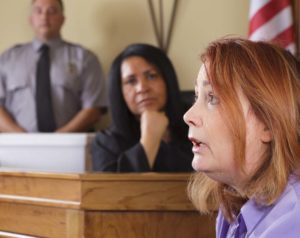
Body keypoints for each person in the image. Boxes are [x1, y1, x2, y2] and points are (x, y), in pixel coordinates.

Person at [184, 37, 300, 237]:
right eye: (197, 96)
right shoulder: (233, 206)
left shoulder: (293, 220)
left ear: (268, 123)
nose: (188, 116)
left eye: (212, 98)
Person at [0, 0, 107, 132]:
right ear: (30, 19)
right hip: (18, 147)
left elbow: (94, 109)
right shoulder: (8, 59)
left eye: (51, 11)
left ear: (62, 19)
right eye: (38, 11)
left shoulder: (85, 59)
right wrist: (22, 138)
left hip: (70, 146)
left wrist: (60, 138)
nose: (44, 17)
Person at [92, 43, 193, 172]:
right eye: (131, 81)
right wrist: (150, 138)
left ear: (168, 80)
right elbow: (115, 190)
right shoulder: (105, 143)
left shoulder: (196, 127)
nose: (142, 88)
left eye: (151, 76)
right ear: (119, 91)